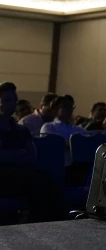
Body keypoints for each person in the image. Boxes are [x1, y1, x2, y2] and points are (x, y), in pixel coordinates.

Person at [0, 82, 64, 223]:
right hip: (4, 175)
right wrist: (17, 154)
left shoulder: (21, 129)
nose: (14, 103)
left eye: (14, 100)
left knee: (47, 180)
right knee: (40, 182)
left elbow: (31, 156)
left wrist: (11, 156)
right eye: (8, 100)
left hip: (21, 173)